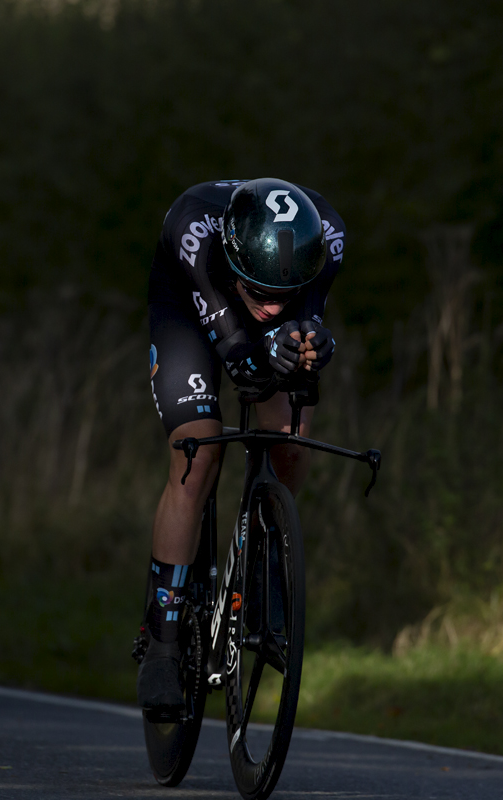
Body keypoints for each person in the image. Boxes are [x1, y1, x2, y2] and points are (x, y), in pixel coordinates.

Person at [138, 178, 343, 713]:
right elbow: (239, 361)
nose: (273, 310)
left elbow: (305, 324)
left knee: (292, 440)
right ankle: (162, 640)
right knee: (198, 453)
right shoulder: (198, 240)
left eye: (284, 297)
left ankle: (264, 560)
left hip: (266, 284)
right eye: (261, 295)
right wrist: (264, 355)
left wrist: (312, 347)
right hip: (189, 307)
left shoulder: (328, 239)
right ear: (234, 267)